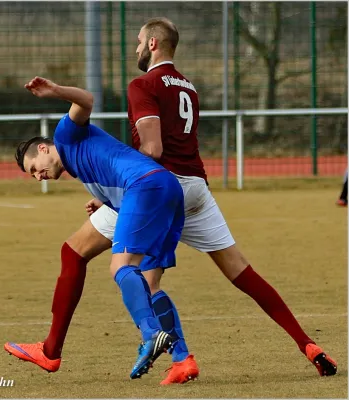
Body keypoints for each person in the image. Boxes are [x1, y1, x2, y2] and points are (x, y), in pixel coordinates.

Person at [86, 17, 338, 383]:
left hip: (160, 190)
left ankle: (182, 360)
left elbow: (153, 150)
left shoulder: (142, 84)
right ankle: (308, 344)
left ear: (154, 43)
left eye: (139, 41)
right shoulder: (188, 86)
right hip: (196, 188)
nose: (136, 47)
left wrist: (114, 192)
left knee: (136, 278)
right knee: (242, 272)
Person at [4, 76, 185, 379]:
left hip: (146, 188)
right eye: (32, 175)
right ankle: (182, 359)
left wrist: (56, 90)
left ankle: (151, 335)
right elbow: (119, 165)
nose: (38, 177)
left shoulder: (65, 136)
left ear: (45, 149)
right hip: (165, 189)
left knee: (120, 267)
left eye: (35, 168)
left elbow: (86, 100)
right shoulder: (83, 169)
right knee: (146, 280)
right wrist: (106, 201)